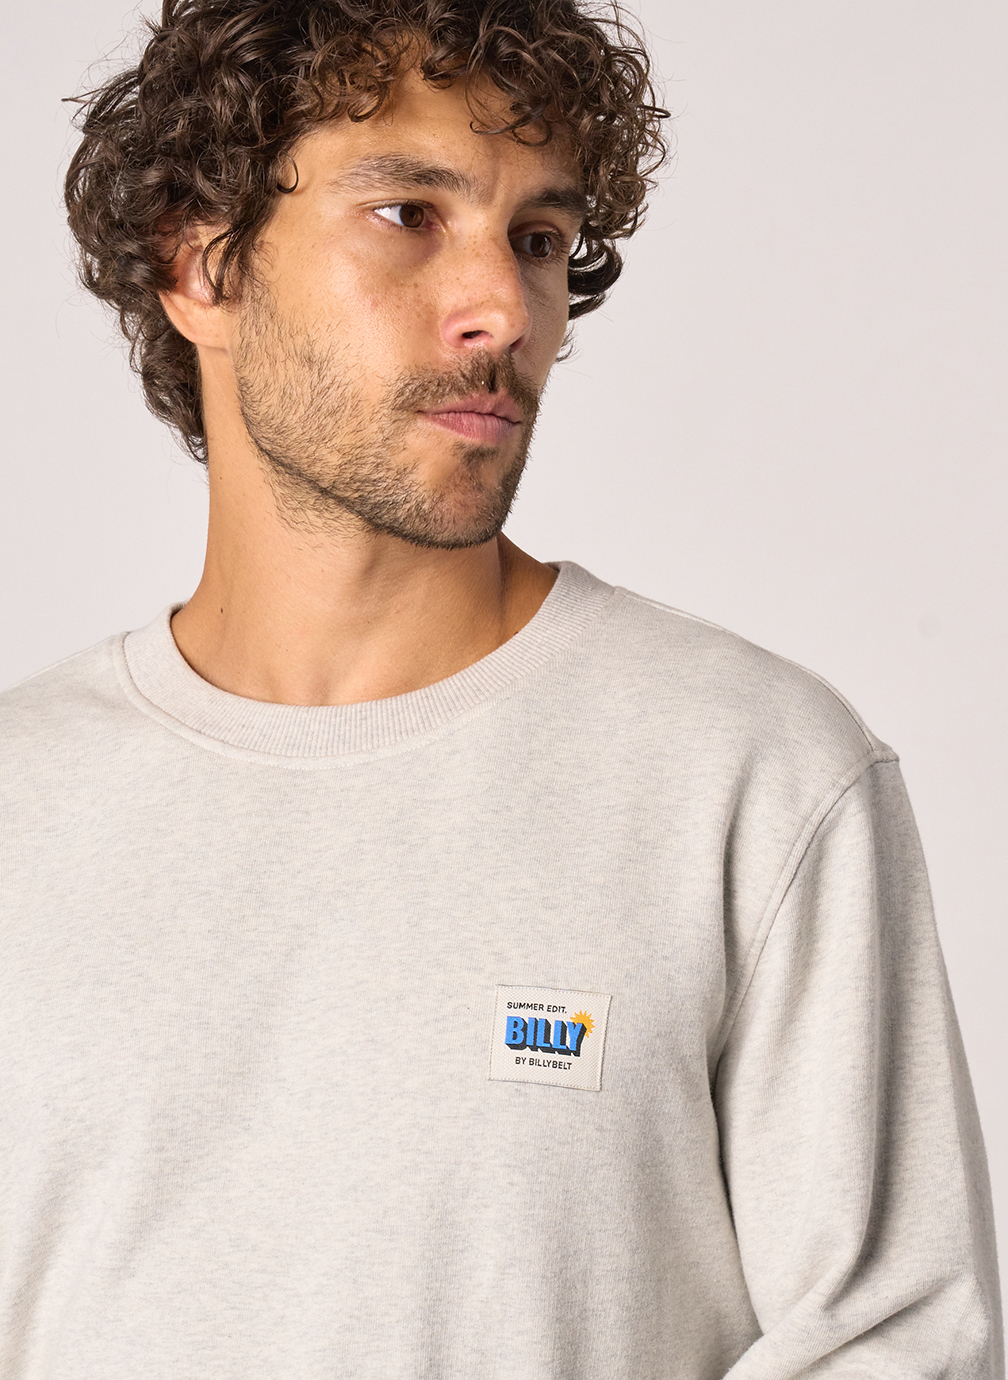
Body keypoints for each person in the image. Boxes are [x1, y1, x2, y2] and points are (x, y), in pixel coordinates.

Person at [0, 0, 1001, 1374]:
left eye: (537, 238)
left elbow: (897, 1343)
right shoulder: (21, 807)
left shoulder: (752, 774)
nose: (506, 311)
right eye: (410, 214)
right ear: (202, 265)